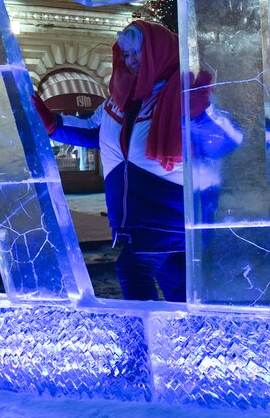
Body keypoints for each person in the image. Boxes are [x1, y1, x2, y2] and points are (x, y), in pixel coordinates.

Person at [32, 20, 227, 302]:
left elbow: (225, 140)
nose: (132, 61)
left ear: (158, 53)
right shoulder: (119, 99)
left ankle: (144, 341)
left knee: (133, 268)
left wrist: (201, 116)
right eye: (127, 54)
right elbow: (94, 132)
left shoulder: (184, 93)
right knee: (178, 286)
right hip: (136, 211)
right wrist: (53, 124)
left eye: (138, 52)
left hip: (168, 208)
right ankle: (190, 338)